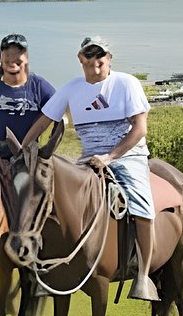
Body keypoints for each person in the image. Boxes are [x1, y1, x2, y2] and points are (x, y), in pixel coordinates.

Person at [21, 36, 158, 301]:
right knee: (51, 198)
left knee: (142, 205)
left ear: (109, 59)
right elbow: (45, 120)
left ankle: (142, 276)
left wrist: (109, 157)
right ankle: (49, 266)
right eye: (89, 57)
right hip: (88, 157)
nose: (95, 63)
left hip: (128, 156)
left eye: (100, 57)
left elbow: (140, 129)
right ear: (80, 59)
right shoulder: (72, 88)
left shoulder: (126, 83)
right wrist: (22, 149)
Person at [0, 33, 56, 170]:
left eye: (18, 53)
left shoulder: (39, 85)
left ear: (27, 58)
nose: (13, 58)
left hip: (27, 158)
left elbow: (58, 109)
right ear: (0, 56)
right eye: (7, 53)